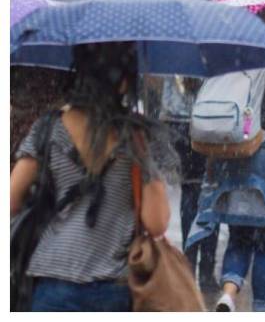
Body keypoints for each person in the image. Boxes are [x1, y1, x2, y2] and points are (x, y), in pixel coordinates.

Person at [10, 42, 173, 312]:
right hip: (112, 288)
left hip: (51, 284)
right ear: (123, 81)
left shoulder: (48, 128)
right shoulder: (135, 138)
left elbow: (11, 201)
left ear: (78, 72)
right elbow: (157, 223)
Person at [187, 8, 265, 312]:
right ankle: (262, 307)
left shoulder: (237, 51)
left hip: (235, 154)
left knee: (241, 231)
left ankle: (229, 292)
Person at [159, 75, 218, 291]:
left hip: (178, 121)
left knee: (191, 192)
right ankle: (206, 270)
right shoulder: (214, 44)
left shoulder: (172, 44)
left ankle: (190, 265)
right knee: (210, 193)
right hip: (209, 119)